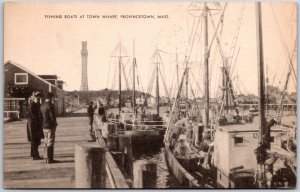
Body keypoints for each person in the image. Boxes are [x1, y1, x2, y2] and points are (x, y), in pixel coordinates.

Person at [40, 92, 58, 164]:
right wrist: (55, 124)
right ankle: (50, 159)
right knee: (50, 142)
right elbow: (52, 116)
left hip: (44, 126)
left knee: (46, 142)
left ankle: (46, 158)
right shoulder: (51, 105)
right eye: (53, 98)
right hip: (50, 126)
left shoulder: (42, 105)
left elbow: (41, 117)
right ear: (51, 98)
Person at [27, 91, 43, 160]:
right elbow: (35, 115)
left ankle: (33, 154)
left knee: (34, 140)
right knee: (34, 140)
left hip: (33, 123)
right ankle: (35, 156)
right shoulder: (33, 105)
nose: (39, 99)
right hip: (33, 124)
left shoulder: (33, 104)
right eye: (38, 97)